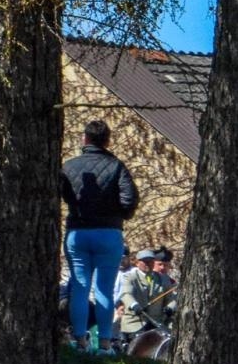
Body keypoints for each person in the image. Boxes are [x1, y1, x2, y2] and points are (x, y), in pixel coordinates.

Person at [59, 119, 138, 351]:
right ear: (107, 141)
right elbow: (129, 198)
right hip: (108, 233)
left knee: (80, 287)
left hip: (78, 232)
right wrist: (119, 215)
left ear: (85, 139)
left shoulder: (69, 166)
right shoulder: (116, 166)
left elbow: (64, 193)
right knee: (104, 288)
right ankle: (104, 343)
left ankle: (80, 340)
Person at [116, 249, 162, 341]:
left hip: (157, 322)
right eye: (145, 261)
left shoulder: (162, 278)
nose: (148, 264)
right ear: (137, 263)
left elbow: (172, 296)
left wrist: (170, 307)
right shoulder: (129, 277)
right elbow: (126, 293)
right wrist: (134, 305)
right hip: (135, 323)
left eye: (151, 261)